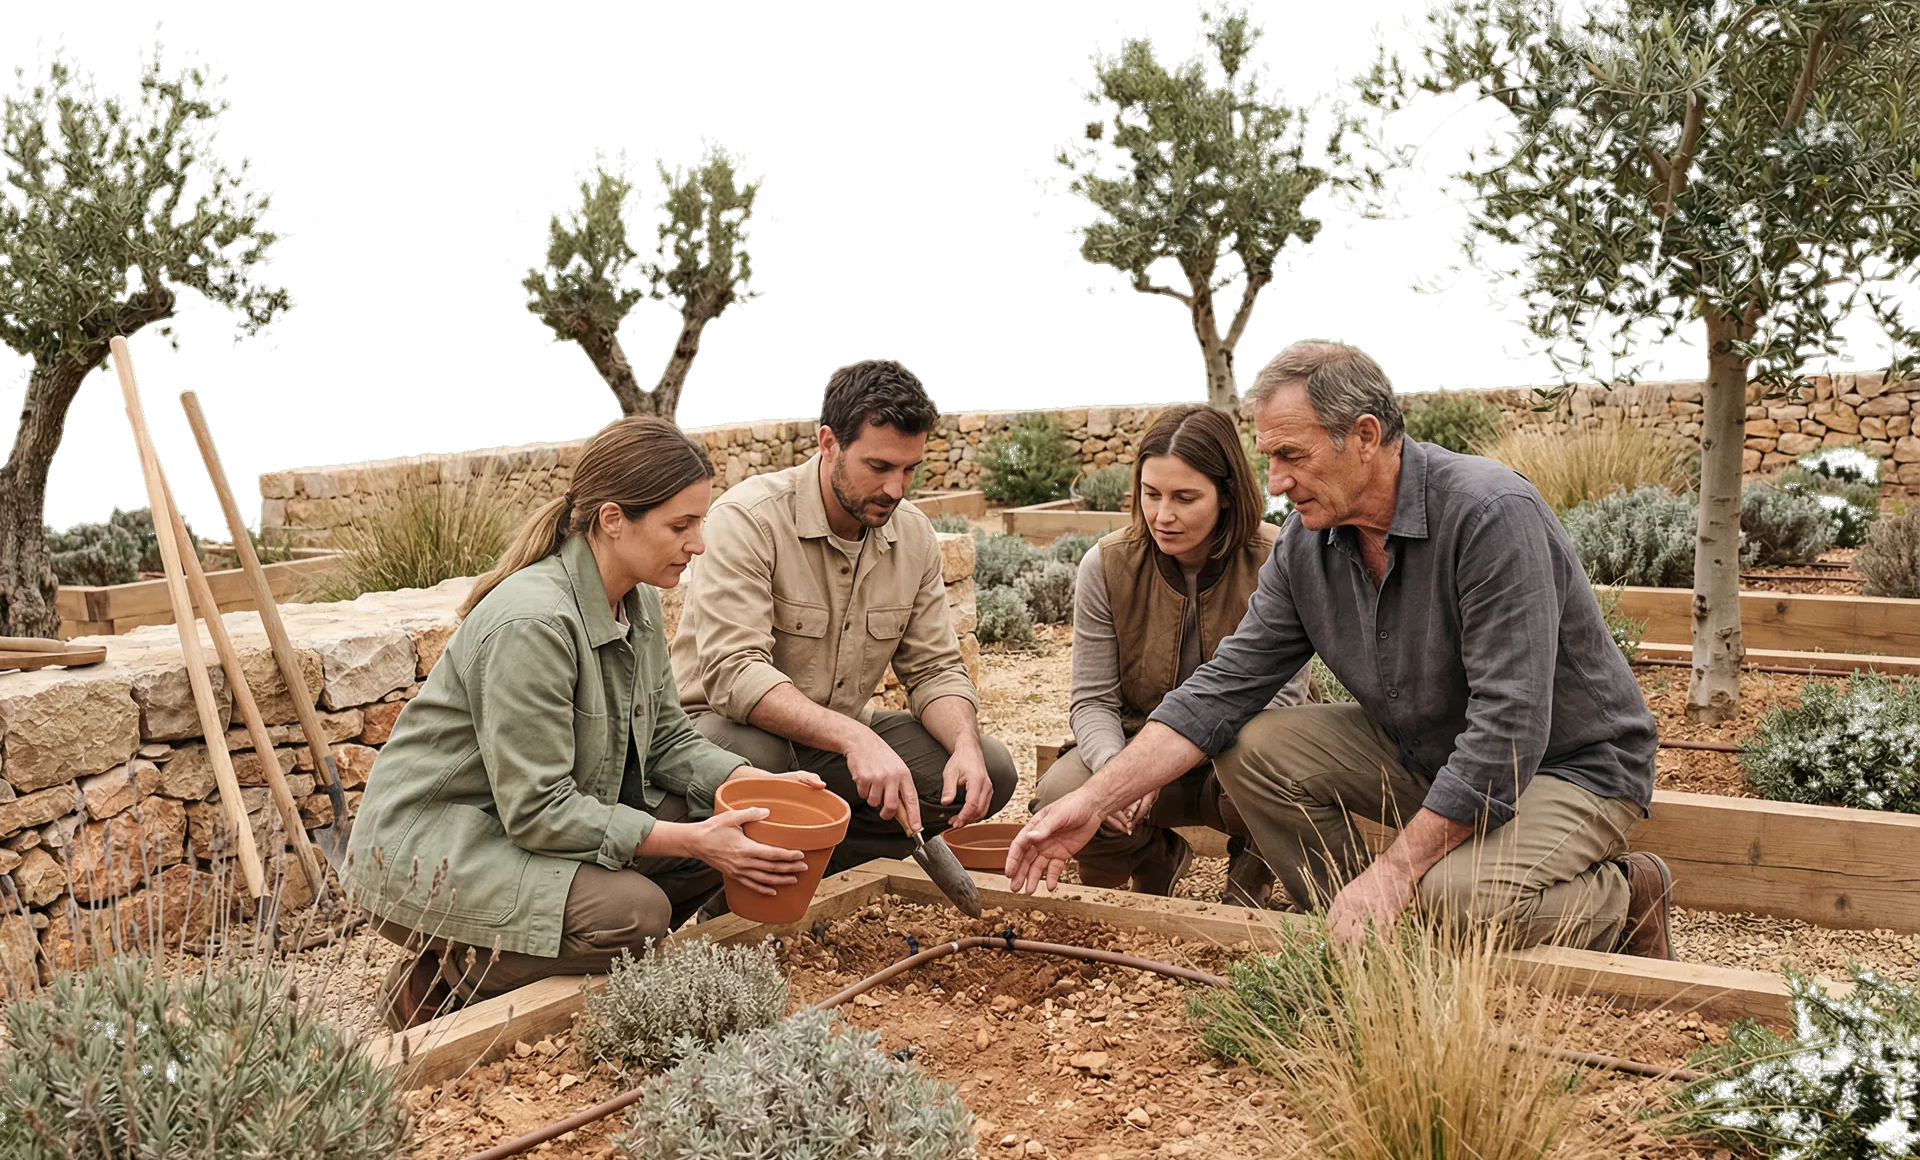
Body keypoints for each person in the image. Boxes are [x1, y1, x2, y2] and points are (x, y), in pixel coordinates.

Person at [1007, 342, 1675, 959]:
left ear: (1364, 437)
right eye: (1268, 457)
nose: (1273, 482)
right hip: (1427, 748)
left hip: (1564, 765)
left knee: (1452, 903)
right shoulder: (1309, 544)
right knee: (1253, 745)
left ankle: (1626, 900)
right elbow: (1221, 690)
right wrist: (1094, 799)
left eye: (1292, 456)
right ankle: (1362, 925)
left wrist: (1398, 869)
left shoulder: (1488, 515)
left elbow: (1508, 730)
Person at [348, 416, 829, 1031]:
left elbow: (666, 740)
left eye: (700, 523)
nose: (699, 544)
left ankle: (507, 949)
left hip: (514, 833)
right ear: (611, 520)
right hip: (434, 853)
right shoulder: (535, 625)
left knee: (718, 831)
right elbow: (538, 810)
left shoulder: (637, 597)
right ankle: (442, 978)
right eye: (681, 526)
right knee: (634, 917)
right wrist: (689, 839)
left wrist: (757, 788)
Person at [672, 358, 1017, 875]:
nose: (896, 490)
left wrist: (964, 744)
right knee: (761, 755)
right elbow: (733, 673)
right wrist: (857, 739)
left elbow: (934, 669)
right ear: (828, 442)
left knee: (988, 768)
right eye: (879, 468)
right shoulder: (749, 520)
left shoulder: (914, 535)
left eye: (909, 470)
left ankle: (813, 872)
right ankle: (734, 890)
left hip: (834, 745)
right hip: (724, 734)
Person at [1030, 404, 1313, 903]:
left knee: (1272, 761)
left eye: (1185, 497)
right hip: (1137, 743)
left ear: (1226, 495)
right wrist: (1122, 769)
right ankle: (1153, 856)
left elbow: (1281, 706)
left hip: (1239, 758)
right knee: (1059, 793)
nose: (1163, 515)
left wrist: (1158, 766)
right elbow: (1092, 702)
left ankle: (1251, 875)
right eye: (1150, 494)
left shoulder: (1278, 559)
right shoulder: (1107, 564)